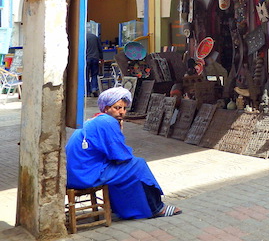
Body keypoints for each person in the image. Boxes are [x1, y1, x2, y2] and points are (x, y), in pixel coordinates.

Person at [66, 87, 182, 219]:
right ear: (106, 108)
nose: (121, 112)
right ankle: (157, 208)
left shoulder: (95, 121)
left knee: (127, 168)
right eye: (117, 108)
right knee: (138, 164)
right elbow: (120, 155)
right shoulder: (106, 121)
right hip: (86, 175)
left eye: (124, 108)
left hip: (77, 174)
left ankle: (123, 208)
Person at [86, 31, 103, 97]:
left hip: (87, 59)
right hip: (95, 58)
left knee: (86, 76)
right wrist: (101, 58)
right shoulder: (95, 37)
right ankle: (94, 88)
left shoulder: (84, 38)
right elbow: (100, 49)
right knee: (94, 75)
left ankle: (87, 92)